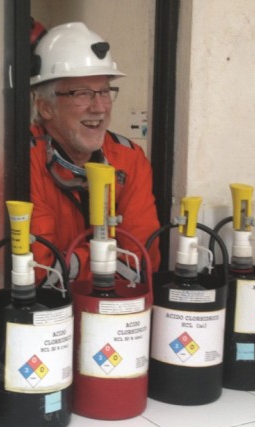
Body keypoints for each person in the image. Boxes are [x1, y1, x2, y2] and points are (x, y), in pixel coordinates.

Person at [29, 21, 161, 283]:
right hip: (47, 318)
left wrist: (72, 264)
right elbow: (37, 273)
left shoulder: (130, 159)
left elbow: (142, 262)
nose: (100, 108)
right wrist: (105, 258)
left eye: (104, 92)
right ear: (45, 107)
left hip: (116, 316)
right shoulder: (23, 161)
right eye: (83, 94)